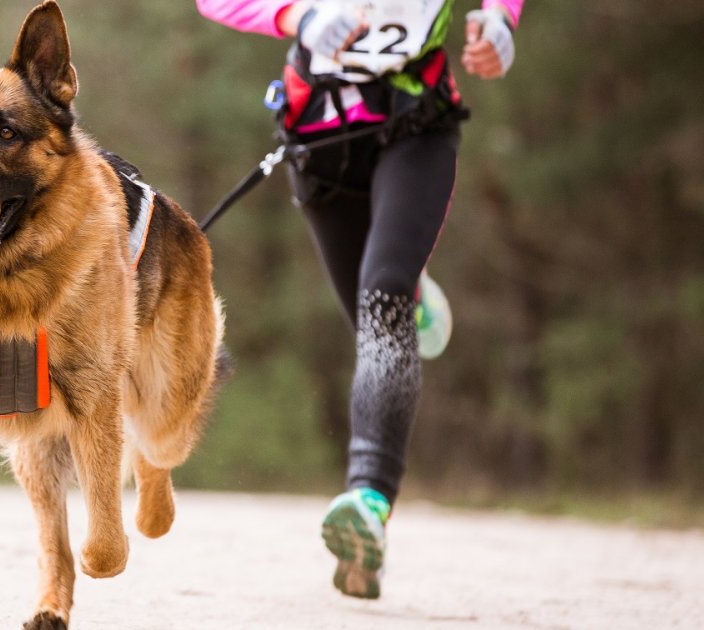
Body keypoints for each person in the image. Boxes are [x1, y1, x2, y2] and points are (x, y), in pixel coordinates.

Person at [196, 0, 522, 599]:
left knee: (383, 306)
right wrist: (299, 17)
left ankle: (369, 499)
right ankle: (407, 288)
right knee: (372, 317)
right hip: (318, 136)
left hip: (417, 124)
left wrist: (501, 19)